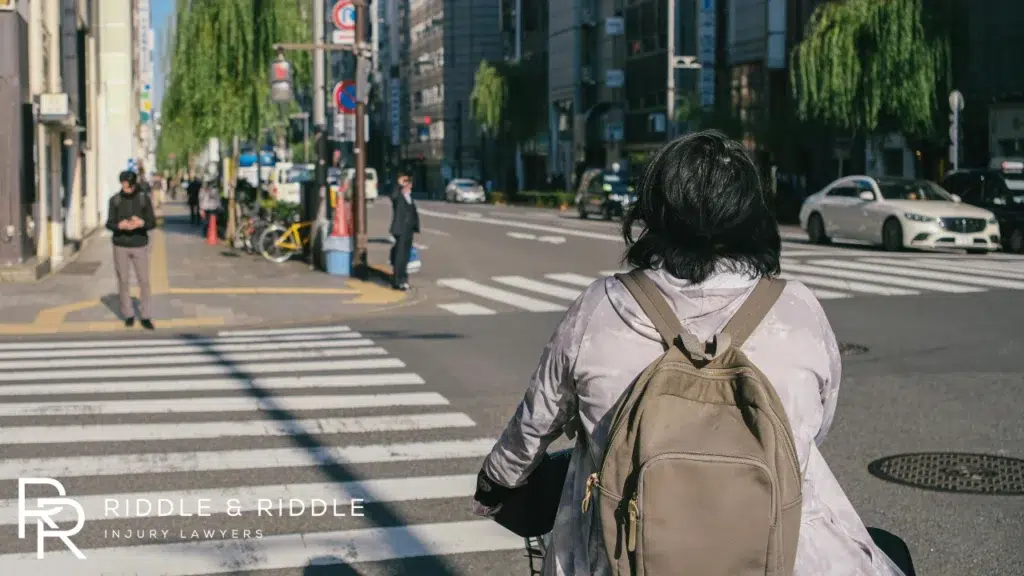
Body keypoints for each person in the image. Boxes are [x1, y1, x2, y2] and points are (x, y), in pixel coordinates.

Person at [472, 131, 907, 576]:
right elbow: (816, 425)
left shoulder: (601, 307)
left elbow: (535, 423)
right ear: (751, 213)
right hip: (779, 554)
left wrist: (496, 482)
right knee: (891, 551)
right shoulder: (796, 308)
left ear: (653, 212)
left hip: (619, 557)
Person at [106, 170, 157, 330]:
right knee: (123, 281)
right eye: (122, 185)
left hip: (140, 244)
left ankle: (146, 315)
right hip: (120, 244)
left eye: (127, 185)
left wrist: (141, 223)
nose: (125, 188)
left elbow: (152, 222)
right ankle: (128, 314)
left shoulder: (143, 199)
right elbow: (109, 223)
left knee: (144, 281)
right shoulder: (114, 200)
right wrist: (119, 226)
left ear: (133, 184)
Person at [388, 172, 419, 291]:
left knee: (406, 256)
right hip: (400, 229)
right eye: (405, 182)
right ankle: (397, 280)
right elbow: (393, 195)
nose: (408, 185)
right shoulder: (398, 196)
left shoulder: (409, 196)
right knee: (400, 256)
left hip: (409, 230)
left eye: (409, 182)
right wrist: (398, 184)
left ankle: (404, 279)